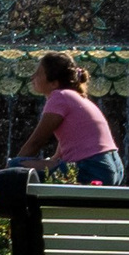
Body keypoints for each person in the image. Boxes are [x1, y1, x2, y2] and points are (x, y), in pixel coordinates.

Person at [15, 50, 122, 184]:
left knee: (16, 168)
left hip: (91, 168)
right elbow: (62, 151)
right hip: (113, 167)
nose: (32, 77)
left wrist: (13, 167)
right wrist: (50, 161)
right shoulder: (76, 97)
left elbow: (36, 142)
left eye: (38, 73)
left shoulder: (59, 97)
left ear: (54, 83)